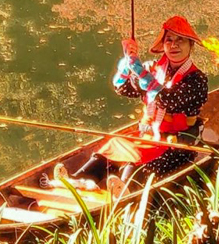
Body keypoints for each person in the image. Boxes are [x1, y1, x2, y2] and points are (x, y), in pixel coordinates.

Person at [61, 15, 209, 193]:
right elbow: (123, 88)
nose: (174, 45)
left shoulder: (197, 79)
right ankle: (79, 180)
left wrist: (142, 74)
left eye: (181, 40)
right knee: (114, 144)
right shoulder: (153, 68)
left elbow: (168, 100)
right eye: (169, 40)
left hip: (177, 145)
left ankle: (124, 191)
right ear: (163, 44)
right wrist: (127, 63)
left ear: (190, 45)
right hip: (148, 136)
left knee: (136, 159)